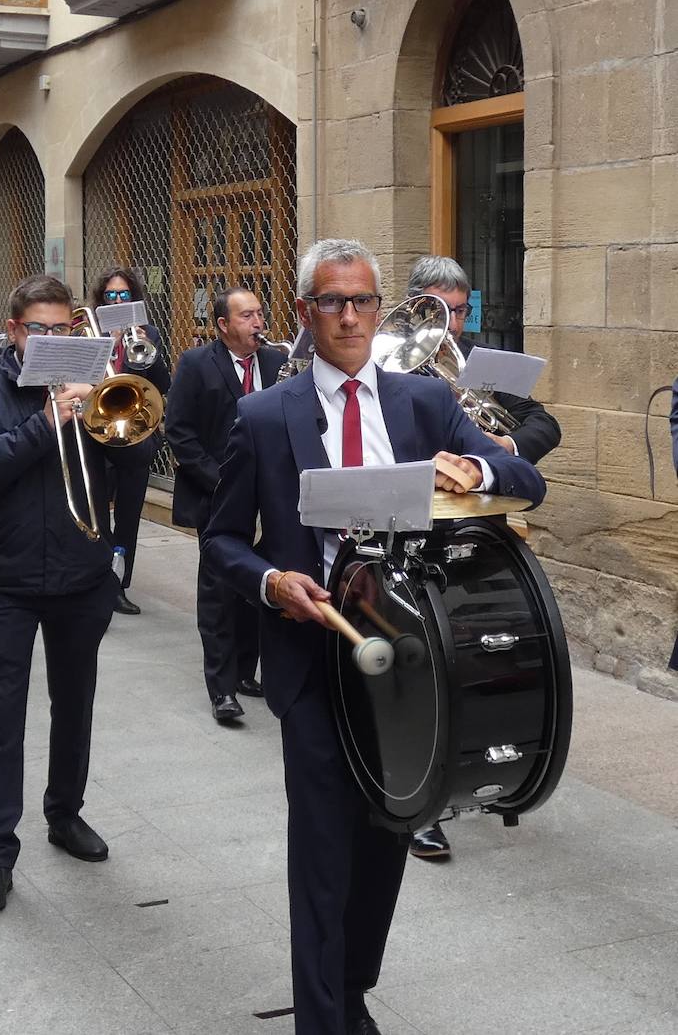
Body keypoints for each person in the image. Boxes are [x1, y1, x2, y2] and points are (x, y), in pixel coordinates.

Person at [202, 239, 546, 1035]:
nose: (349, 316)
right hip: (313, 654)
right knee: (322, 857)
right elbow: (221, 540)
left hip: (410, 664)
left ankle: (353, 991)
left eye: (361, 301)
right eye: (332, 301)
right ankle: (323, 1021)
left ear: (377, 307)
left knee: (386, 841)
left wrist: (479, 473)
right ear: (305, 313)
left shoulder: (423, 404)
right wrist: (271, 582)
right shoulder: (261, 416)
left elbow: (526, 478)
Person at [0, 274, 152, 915]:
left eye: (61, 330)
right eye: (36, 330)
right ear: (14, 333)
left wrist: (116, 418)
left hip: (79, 577)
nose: (49, 340)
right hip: (4, 582)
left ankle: (65, 814)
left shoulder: (92, 390)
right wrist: (45, 423)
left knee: (76, 705)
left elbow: (131, 467)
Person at [401, 254, 562, 860]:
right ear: (417, 308)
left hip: (483, 531)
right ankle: (422, 800)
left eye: (462, 310)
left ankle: (481, 766)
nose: (455, 322)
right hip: (415, 532)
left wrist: (505, 445)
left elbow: (544, 422)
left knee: (477, 657)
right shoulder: (389, 360)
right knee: (425, 665)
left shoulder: (481, 365)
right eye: (442, 311)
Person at [164, 286, 284, 724]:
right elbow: (179, 432)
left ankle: (246, 672)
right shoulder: (196, 363)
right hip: (215, 495)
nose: (258, 323)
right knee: (217, 594)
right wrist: (223, 482)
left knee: (259, 586)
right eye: (247, 316)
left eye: (259, 314)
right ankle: (221, 688)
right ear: (222, 325)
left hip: (270, 496)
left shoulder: (276, 362)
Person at [87, 267, 171, 615]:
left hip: (133, 436)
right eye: (111, 296)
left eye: (124, 295)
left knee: (128, 516)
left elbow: (162, 383)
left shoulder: (146, 333)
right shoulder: (89, 332)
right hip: (95, 433)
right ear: (102, 300)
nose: (118, 300)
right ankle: (96, 579)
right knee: (96, 513)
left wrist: (145, 350)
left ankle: (120, 584)